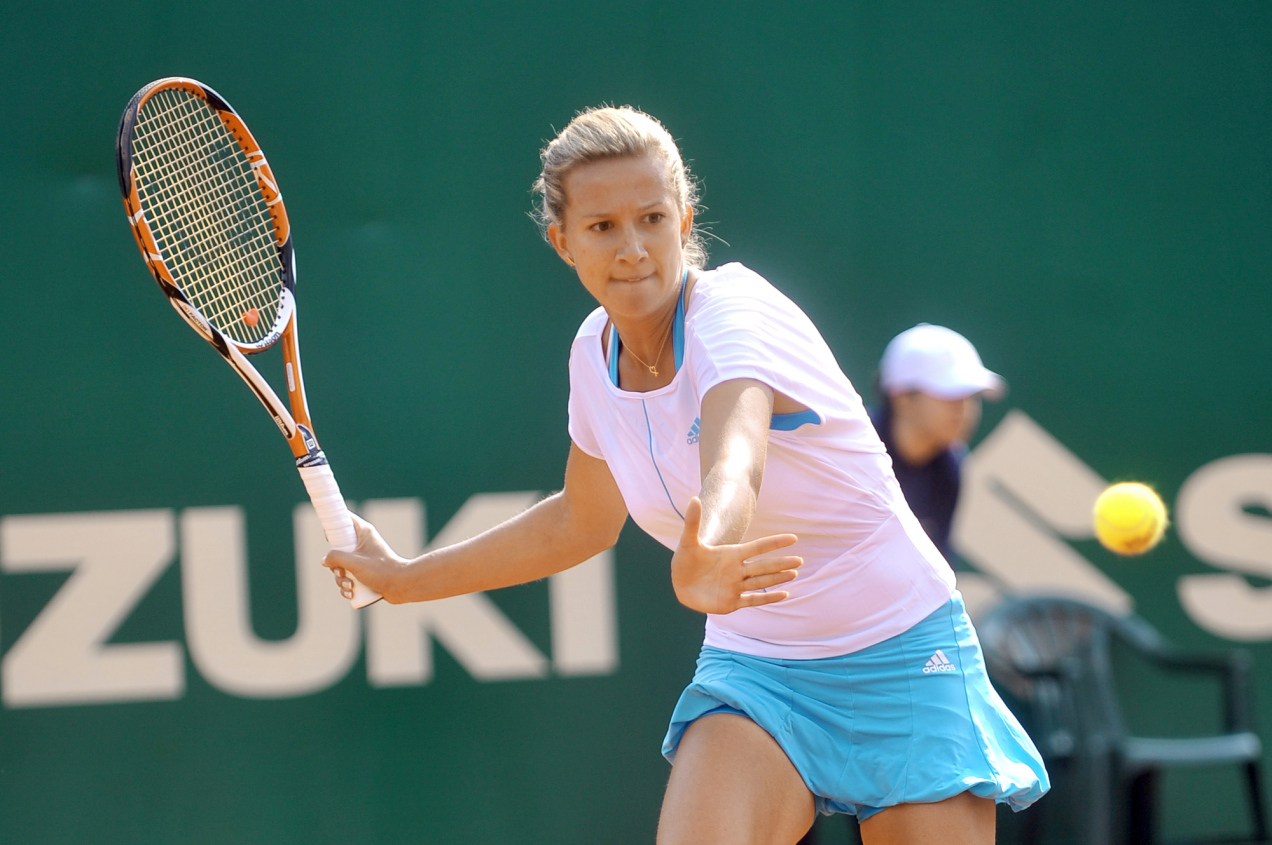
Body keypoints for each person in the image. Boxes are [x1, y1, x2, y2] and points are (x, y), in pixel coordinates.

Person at [324, 106, 1047, 845]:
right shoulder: (591, 356)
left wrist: (712, 542)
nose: (633, 248)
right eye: (602, 226)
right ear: (563, 241)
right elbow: (579, 520)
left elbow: (737, 454)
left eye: (652, 218)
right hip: (760, 670)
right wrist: (406, 579)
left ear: (684, 219)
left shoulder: (733, 312)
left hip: (902, 647)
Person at [868, 324, 1005, 565]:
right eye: (951, 394)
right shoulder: (852, 447)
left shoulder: (952, 464)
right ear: (902, 397)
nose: (965, 410)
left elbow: (935, 566)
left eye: (972, 397)